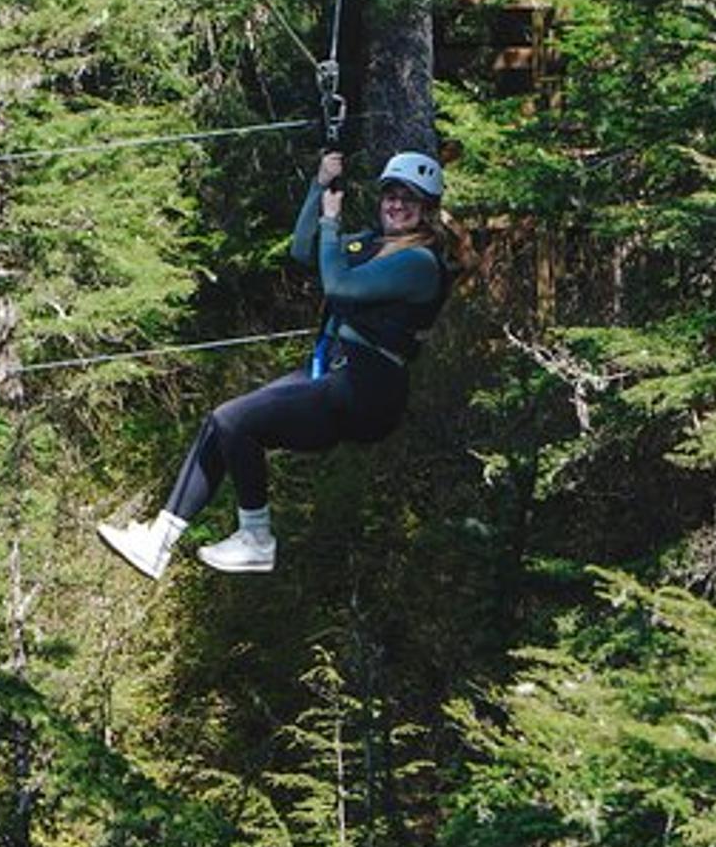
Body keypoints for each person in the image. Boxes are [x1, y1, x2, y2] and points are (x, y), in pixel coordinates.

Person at [97, 149, 458, 578]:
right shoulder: (371, 245)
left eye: (409, 199)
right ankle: (158, 541)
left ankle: (256, 538)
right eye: (391, 195)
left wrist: (331, 223)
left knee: (235, 420)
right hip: (336, 372)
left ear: (427, 209)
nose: (396, 206)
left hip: (369, 387)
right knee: (220, 423)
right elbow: (303, 250)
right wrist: (319, 185)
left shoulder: (419, 262)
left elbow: (339, 287)